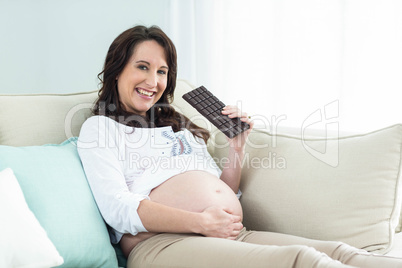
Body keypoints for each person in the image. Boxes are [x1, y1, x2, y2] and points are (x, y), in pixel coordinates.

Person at [77, 25, 402, 268]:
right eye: (142, 67)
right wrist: (200, 222)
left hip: (228, 234)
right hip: (163, 245)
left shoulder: (177, 128)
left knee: (339, 252)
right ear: (117, 68)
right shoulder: (101, 128)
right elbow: (118, 208)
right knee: (302, 261)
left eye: (162, 71)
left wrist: (236, 145)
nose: (154, 81)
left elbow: (222, 190)